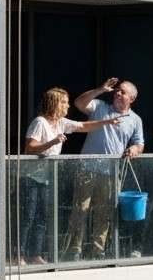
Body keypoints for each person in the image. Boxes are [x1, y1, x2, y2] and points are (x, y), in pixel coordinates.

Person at [19, 87, 120, 264]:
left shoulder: (61, 123)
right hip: (31, 177)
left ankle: (34, 254)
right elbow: (29, 148)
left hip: (47, 177)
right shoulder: (40, 122)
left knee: (42, 217)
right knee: (28, 216)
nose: (67, 106)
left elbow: (83, 126)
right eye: (64, 102)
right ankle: (18, 255)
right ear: (54, 103)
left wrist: (107, 122)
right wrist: (53, 141)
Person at [62, 78, 145, 261]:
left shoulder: (135, 120)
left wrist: (134, 149)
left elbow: (139, 144)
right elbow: (79, 103)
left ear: (132, 98)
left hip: (111, 172)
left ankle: (97, 250)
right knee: (80, 209)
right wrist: (100, 89)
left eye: (123, 92)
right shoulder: (100, 106)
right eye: (117, 90)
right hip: (87, 168)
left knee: (104, 212)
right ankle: (75, 249)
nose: (117, 93)